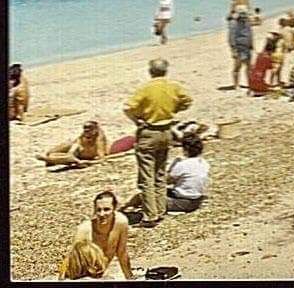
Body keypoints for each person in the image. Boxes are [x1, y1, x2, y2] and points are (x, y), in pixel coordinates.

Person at [123, 58, 192, 227]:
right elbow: (187, 101)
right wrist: (173, 110)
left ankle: (150, 215)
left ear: (150, 71)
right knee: (160, 173)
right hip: (166, 131)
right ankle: (160, 210)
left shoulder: (146, 88)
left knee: (147, 176)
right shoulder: (173, 86)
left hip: (149, 131)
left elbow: (127, 107)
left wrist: (137, 121)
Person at [65, 191, 133, 279]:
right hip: (82, 277)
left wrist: (130, 278)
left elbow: (122, 253)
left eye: (106, 209)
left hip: (100, 274)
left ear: (114, 208)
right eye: (98, 210)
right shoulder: (85, 229)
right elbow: (71, 259)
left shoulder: (121, 223)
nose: (102, 214)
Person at [166, 133, 210, 213]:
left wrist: (172, 165)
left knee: (146, 197)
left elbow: (166, 180)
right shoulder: (204, 163)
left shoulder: (183, 165)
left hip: (183, 201)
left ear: (185, 149)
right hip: (197, 199)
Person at [37, 120, 109, 167]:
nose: (86, 132)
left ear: (96, 130)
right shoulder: (83, 135)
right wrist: (71, 152)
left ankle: (54, 160)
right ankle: (55, 159)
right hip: (77, 152)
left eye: (89, 130)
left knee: (68, 158)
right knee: (51, 153)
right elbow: (76, 144)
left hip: (85, 155)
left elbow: (102, 158)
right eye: (85, 129)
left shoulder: (99, 139)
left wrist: (90, 162)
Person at [228, 7, 254, 89]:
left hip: (247, 47)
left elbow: (250, 34)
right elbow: (231, 37)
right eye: (242, 15)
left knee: (249, 67)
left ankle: (250, 83)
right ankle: (236, 85)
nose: (244, 17)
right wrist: (233, 49)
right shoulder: (233, 23)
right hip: (239, 47)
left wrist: (251, 44)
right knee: (237, 66)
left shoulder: (247, 22)